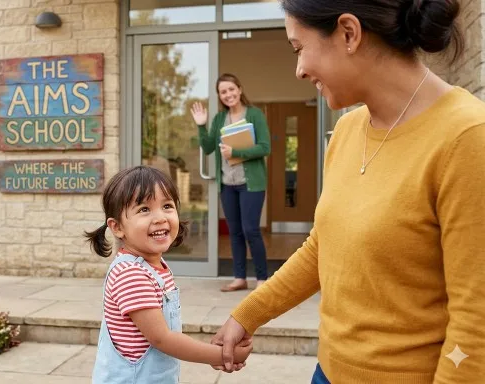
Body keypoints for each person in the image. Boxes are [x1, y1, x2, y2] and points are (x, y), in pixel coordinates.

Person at [211, 0, 485, 382]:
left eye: (299, 48)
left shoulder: (466, 138)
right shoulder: (346, 131)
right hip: (327, 372)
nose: (299, 69)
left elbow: (476, 321)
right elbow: (323, 247)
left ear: (348, 33)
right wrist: (249, 312)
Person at [84, 166, 253, 384]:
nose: (160, 217)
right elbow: (162, 339)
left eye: (167, 206)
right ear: (117, 227)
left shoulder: (154, 265)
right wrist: (221, 355)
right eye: (144, 209)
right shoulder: (131, 275)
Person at [190, 73, 272, 292]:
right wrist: (201, 125)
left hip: (251, 183)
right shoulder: (219, 119)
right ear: (220, 96)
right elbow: (208, 148)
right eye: (223, 92)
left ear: (240, 89)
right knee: (234, 231)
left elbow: (265, 147)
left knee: (251, 230)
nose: (228, 94)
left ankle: (262, 279)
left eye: (231, 89)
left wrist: (235, 152)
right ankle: (239, 278)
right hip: (227, 184)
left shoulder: (254, 114)